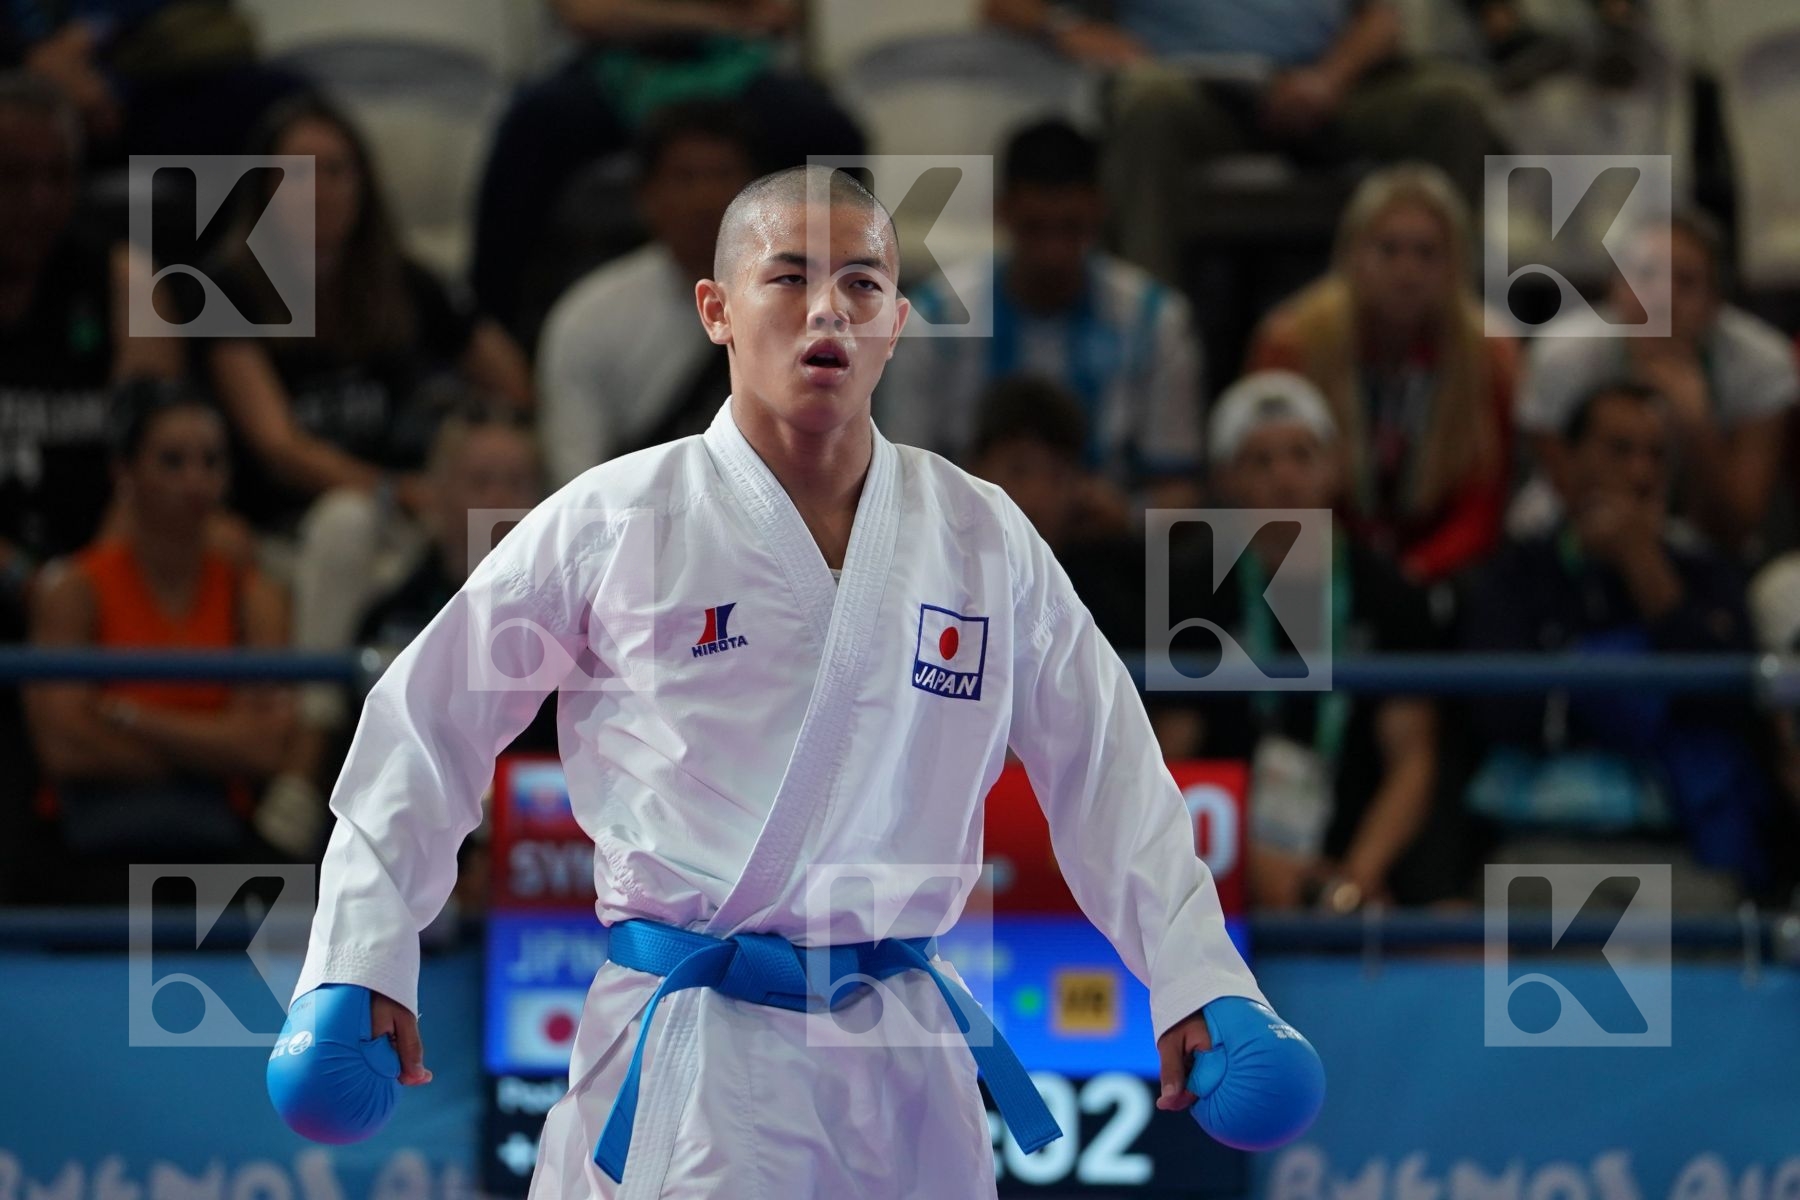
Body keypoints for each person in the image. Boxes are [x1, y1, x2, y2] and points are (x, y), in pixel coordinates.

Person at [272, 167, 1320, 1197]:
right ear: (716, 310)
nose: (829, 309)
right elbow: (428, 724)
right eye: (788, 277)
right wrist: (360, 951)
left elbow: (1108, 770)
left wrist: (1199, 973)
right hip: (699, 1054)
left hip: (910, 1063)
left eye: (862, 284)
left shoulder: (980, 535)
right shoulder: (617, 519)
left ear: (897, 323)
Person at [204, 94, 533, 733]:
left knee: (489, 511)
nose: (320, 190)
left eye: (336, 171)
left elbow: (513, 387)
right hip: (284, 527)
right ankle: (315, 730)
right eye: (297, 173)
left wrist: (456, 462)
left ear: (363, 185)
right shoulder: (230, 287)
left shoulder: (405, 284)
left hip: (412, 519)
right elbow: (278, 444)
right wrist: (394, 490)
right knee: (347, 522)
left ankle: (497, 739)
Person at [1462, 381, 1772, 909]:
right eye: (1620, 450)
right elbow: (1501, 712)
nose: (1641, 473)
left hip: (1680, 848)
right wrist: (1643, 704)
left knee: (1709, 918)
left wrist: (1643, 566)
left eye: (1656, 455)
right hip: (1542, 845)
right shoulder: (1513, 576)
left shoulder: (1705, 575)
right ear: (1567, 462)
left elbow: (1728, 709)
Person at [22, 381, 311, 903]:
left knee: (291, 896)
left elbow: (264, 747)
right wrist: (211, 750)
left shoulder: (254, 597)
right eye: (173, 461)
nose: (196, 480)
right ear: (125, 474)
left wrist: (130, 716)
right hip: (92, 844)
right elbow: (66, 750)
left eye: (211, 461)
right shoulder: (73, 590)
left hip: (216, 841)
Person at [1178, 370, 1457, 910]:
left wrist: (1352, 880)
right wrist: (1253, 866)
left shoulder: (1389, 591)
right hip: (1223, 859)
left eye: (1302, 456)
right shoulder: (1188, 588)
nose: (1284, 477)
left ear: (1334, 467)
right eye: (1260, 461)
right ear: (1226, 479)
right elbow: (1172, 760)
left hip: (1365, 853)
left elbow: (1412, 759)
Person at [984, 0, 1506, 285]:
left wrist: (1330, 78)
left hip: (1327, 85)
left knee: (1455, 102)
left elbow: (1383, 19)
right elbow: (1002, 6)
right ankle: (1150, 320)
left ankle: (1453, 311)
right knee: (1145, 102)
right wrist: (1068, 27)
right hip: (1195, 87)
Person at [470, 0, 866, 336]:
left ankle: (841, 310)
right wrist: (717, 19)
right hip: (620, 64)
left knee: (832, 134)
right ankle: (496, 332)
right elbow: (585, 13)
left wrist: (648, 18)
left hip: (730, 63)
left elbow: (778, 13)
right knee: (528, 129)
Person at [880, 118, 1204, 515]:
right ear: (1003, 211)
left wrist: (1126, 517)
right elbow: (900, 480)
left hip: (1107, 543)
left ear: (1099, 210)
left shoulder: (1156, 323)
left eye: (1070, 229)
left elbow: (1179, 487)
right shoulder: (932, 321)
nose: (1052, 254)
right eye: (1035, 229)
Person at [1247, 163, 1516, 583]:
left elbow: (1482, 504)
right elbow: (1268, 483)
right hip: (1319, 561)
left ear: (1455, 264)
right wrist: (1352, 574)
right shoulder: (1292, 345)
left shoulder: (1488, 354)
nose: (1407, 272)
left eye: (1427, 253)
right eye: (1389, 250)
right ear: (1352, 255)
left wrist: (1413, 574)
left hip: (1438, 571)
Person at [1512, 210, 1798, 558]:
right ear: (1615, 287)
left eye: (1686, 281)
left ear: (1716, 300)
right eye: (1646, 275)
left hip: (1708, 547)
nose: (1664, 298)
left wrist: (1698, 427)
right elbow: (1568, 485)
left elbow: (1738, 523)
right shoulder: (1561, 354)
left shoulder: (1763, 363)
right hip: (1572, 531)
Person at [536, 99, 759, 487]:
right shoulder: (589, 319)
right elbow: (578, 482)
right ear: (646, 196)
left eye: (722, 175)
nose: (706, 198)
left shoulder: (808, 311)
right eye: (686, 178)